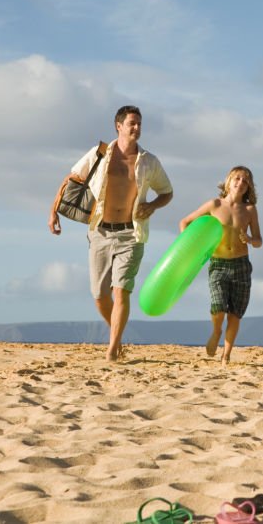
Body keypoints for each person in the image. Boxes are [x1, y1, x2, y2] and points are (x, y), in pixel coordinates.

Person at [49, 105, 173, 362]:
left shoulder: (149, 161)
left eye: (139, 124)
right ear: (119, 126)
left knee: (121, 291)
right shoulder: (100, 154)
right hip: (100, 232)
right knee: (99, 295)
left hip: (132, 234)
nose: (137, 128)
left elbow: (167, 192)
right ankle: (115, 332)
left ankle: (112, 350)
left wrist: (151, 205)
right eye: (132, 124)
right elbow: (70, 179)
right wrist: (53, 213)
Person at [179, 166, 262, 365]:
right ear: (228, 181)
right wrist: (189, 248)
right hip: (218, 263)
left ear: (249, 186)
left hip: (241, 265)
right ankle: (216, 331)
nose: (241, 183)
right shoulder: (215, 204)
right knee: (218, 307)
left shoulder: (250, 210)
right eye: (237, 178)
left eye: (245, 180)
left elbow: (259, 240)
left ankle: (226, 354)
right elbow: (185, 222)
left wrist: (250, 239)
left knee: (235, 313)